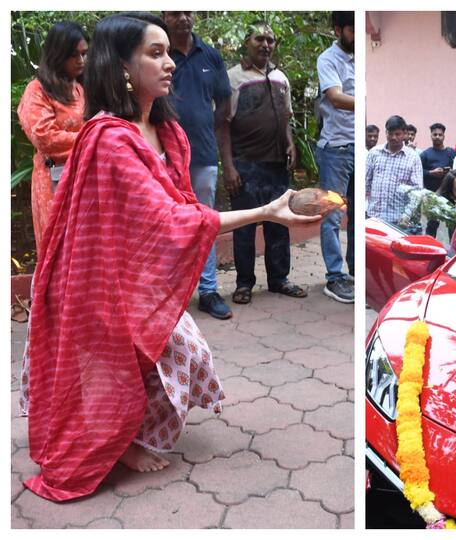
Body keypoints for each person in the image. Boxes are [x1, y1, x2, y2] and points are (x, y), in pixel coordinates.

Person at [19, 13, 320, 503]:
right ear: (120, 67)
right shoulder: (111, 138)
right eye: (154, 54)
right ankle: (115, 445)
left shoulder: (167, 131)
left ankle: (126, 433)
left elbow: (182, 211)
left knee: (180, 354)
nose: (169, 64)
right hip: (99, 276)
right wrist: (267, 211)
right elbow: (172, 222)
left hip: (138, 271)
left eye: (168, 53)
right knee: (121, 361)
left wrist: (263, 211)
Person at [226, 21, 308, 305]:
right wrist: (229, 166)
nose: (265, 44)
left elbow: (285, 118)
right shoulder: (233, 78)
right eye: (259, 39)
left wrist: (290, 142)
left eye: (270, 40)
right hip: (245, 164)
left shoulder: (281, 78)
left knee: (279, 223)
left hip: (276, 165)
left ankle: (279, 279)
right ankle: (244, 283)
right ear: (246, 43)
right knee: (245, 226)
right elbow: (222, 125)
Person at [162, 11, 233, 319]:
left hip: (203, 153)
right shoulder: (158, 52)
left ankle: (208, 290)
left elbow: (224, 102)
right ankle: (170, 296)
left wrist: (203, 127)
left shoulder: (211, 55)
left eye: (188, 11)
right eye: (176, 12)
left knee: (205, 222)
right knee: (165, 223)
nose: (183, 18)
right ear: (164, 15)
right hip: (163, 154)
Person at [17, 21, 88, 248]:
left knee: (84, 246)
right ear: (58, 54)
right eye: (73, 55)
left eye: (84, 54)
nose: (81, 60)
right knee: (59, 247)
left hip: (84, 176)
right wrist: (92, 140)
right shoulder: (37, 90)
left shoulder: (80, 88)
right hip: (53, 180)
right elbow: (44, 137)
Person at [316, 11, 355, 303]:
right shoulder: (328, 60)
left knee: (356, 217)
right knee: (332, 215)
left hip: (357, 148)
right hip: (336, 151)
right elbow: (335, 97)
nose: (355, 37)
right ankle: (334, 277)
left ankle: (354, 271)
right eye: (352, 30)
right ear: (338, 29)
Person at [366, 115, 422, 228]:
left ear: (404, 134)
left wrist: (407, 215)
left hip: (398, 220)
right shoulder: (374, 153)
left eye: (397, 134)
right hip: (373, 217)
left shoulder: (413, 158)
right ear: (386, 132)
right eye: (390, 134)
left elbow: (417, 192)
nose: (393, 137)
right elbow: (365, 183)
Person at [420, 122, 456, 236]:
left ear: (444, 136)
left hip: (449, 194)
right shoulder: (425, 154)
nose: (437, 137)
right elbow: (417, 172)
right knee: (432, 225)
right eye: (434, 134)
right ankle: (429, 249)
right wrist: (431, 172)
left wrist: (450, 173)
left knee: (453, 224)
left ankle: (454, 251)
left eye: (440, 135)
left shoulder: (451, 153)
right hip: (433, 195)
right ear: (431, 136)